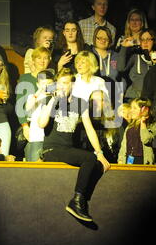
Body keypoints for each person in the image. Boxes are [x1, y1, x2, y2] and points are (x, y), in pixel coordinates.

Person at [39, 68, 110, 222]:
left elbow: (89, 129)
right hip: (51, 149)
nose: (62, 87)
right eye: (59, 83)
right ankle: (77, 201)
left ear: (72, 84)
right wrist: (53, 100)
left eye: (65, 83)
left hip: (68, 149)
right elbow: (41, 123)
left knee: (96, 163)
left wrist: (100, 153)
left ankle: (81, 200)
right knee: (89, 159)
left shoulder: (80, 103)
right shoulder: (50, 100)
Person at [15, 47, 52, 153]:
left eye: (45, 58)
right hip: (30, 125)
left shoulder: (52, 79)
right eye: (39, 58)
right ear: (33, 60)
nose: (42, 61)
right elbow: (19, 105)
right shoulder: (25, 78)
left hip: (48, 127)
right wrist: (25, 126)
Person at [76, 90, 121, 163]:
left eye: (99, 100)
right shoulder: (81, 123)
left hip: (110, 164)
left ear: (106, 103)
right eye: (93, 100)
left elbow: (120, 147)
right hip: (85, 163)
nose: (95, 103)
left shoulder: (115, 123)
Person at [118, 29, 156, 101]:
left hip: (152, 98)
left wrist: (155, 64)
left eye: (148, 39)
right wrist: (124, 47)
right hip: (134, 98)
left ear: (154, 41)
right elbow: (120, 68)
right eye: (142, 39)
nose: (145, 42)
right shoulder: (136, 57)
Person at [23, 69, 55, 161]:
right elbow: (28, 107)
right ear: (37, 84)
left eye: (49, 84)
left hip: (51, 139)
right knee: (34, 167)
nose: (46, 87)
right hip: (36, 137)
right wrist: (39, 92)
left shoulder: (56, 97)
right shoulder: (34, 97)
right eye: (43, 84)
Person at [118, 98, 156, 165]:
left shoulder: (152, 125)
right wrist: (121, 159)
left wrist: (143, 122)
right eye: (131, 108)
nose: (131, 110)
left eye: (134, 108)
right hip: (129, 160)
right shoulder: (129, 127)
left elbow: (146, 139)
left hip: (142, 161)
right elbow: (124, 145)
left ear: (144, 110)